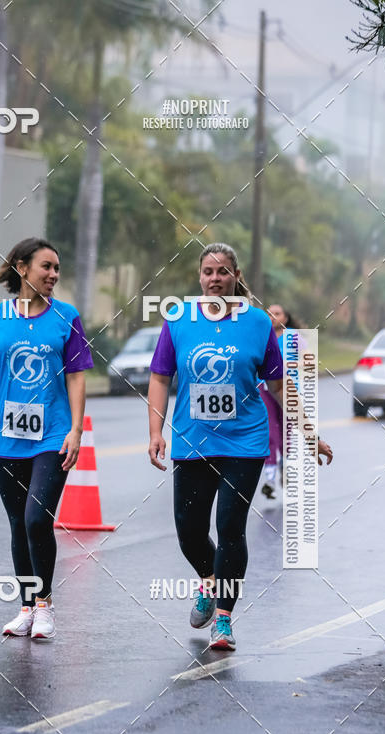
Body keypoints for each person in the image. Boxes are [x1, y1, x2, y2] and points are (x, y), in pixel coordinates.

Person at [147, 242, 333, 651]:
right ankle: (209, 582)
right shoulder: (179, 319)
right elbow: (160, 377)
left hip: (244, 442)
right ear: (199, 277)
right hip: (193, 441)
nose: (216, 279)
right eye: (209, 272)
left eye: (224, 272)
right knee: (190, 533)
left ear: (236, 277)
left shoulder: (258, 323)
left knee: (231, 527)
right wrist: (155, 431)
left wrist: (308, 434)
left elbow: (281, 387)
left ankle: (225, 620)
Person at [0, 237, 94, 640]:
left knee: (39, 518)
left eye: (57, 268)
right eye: (46, 267)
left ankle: (44, 605)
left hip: (52, 436)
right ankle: (25, 607)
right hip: (7, 438)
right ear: (22, 268)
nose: (53, 274)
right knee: (19, 524)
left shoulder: (66, 317)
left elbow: (76, 377)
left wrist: (75, 429)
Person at [259, 304, 302, 500]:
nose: (273, 317)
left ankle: (285, 466)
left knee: (286, 431)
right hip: (265, 388)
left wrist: (289, 365)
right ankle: (269, 479)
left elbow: (306, 360)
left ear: (285, 318)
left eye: (277, 314)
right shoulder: (261, 334)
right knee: (270, 431)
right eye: (269, 314)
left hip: (288, 388)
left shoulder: (293, 336)